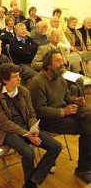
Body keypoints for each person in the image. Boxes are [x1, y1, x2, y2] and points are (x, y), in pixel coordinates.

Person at [0, 63, 62, 188]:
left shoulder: (24, 91)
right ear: (5, 80)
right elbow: (3, 123)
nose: (19, 79)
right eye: (15, 77)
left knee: (56, 146)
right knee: (28, 153)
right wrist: (27, 134)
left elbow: (32, 113)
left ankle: (32, 182)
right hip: (7, 131)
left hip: (26, 127)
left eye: (19, 75)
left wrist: (33, 128)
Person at [28, 49, 91, 184]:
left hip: (64, 112)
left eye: (62, 60)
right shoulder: (37, 82)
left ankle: (85, 167)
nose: (62, 63)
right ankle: (84, 168)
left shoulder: (59, 77)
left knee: (89, 116)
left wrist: (75, 100)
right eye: (58, 60)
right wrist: (63, 112)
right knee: (87, 127)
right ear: (48, 64)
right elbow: (39, 110)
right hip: (49, 120)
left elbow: (66, 97)